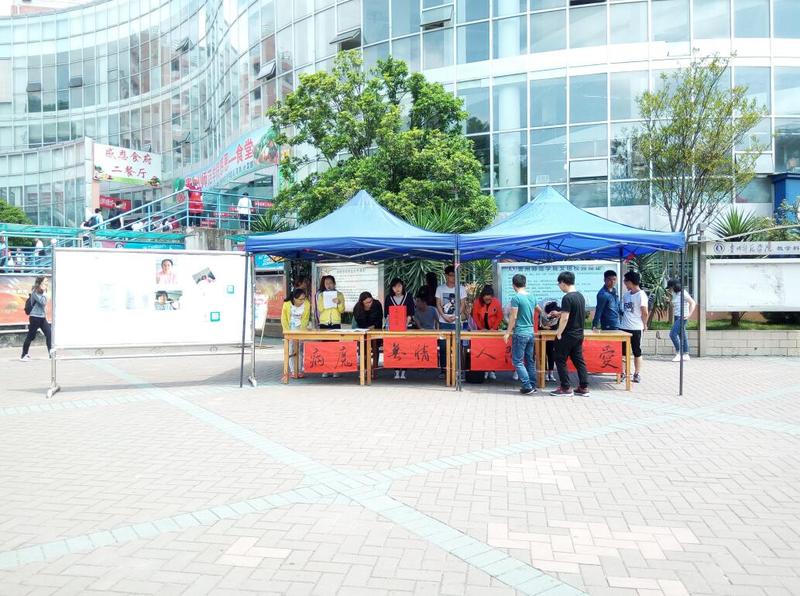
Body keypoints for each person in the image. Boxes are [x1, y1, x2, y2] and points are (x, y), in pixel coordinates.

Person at [550, 271, 590, 397]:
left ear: (563, 282)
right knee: (579, 360)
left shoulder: (567, 298)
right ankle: (584, 387)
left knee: (560, 359)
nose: (559, 286)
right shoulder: (580, 296)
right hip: (579, 334)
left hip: (567, 334)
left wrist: (558, 333)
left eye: (559, 284)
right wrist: (559, 313)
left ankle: (565, 388)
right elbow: (570, 312)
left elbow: (565, 318)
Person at [503, 274, 538, 395]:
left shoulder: (516, 298)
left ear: (513, 285)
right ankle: (533, 385)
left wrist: (508, 332)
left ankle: (527, 386)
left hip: (520, 333)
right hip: (531, 332)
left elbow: (513, 316)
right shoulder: (532, 297)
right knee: (530, 361)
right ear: (525, 284)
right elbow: (539, 309)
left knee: (517, 361)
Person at [435, 265, 467, 379]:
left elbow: (463, 304)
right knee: (443, 346)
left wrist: (456, 316)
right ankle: (444, 370)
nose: (453, 278)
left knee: (458, 346)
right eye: (451, 275)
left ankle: (458, 370)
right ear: (446, 276)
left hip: (456, 322)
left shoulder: (461, 288)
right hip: (443, 322)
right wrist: (444, 316)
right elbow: (438, 303)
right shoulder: (440, 288)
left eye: (455, 275)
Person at [619, 270, 648, 383]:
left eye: (625, 281)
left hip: (636, 328)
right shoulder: (626, 295)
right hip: (624, 327)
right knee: (622, 352)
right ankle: (623, 372)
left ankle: (636, 373)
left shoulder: (641, 295)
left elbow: (645, 312)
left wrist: (644, 324)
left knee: (637, 351)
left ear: (630, 282)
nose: (625, 284)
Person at [384, 278, 415, 380]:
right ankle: (396, 371)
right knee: (395, 349)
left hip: (406, 327)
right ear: (392, 288)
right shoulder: (389, 298)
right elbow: (387, 314)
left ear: (402, 287)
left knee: (405, 348)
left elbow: (411, 313)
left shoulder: (408, 296)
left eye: (399, 286)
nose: (397, 289)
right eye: (394, 287)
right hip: (393, 329)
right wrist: (390, 325)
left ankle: (404, 372)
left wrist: (405, 324)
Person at [472, 285, 503, 380]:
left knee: (493, 351)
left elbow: (499, 316)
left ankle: (492, 371)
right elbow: (475, 316)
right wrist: (481, 328)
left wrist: (494, 328)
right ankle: (484, 370)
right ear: (483, 297)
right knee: (483, 351)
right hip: (481, 330)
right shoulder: (477, 302)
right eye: (486, 299)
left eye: (489, 299)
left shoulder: (496, 302)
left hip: (493, 330)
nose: (488, 300)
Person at [281, 288, 311, 380]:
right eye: (300, 299)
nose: (302, 301)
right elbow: (284, 319)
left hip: (301, 329)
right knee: (291, 350)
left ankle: (300, 370)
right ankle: (293, 371)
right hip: (290, 330)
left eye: (304, 299)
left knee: (300, 350)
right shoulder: (287, 304)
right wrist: (286, 331)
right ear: (294, 298)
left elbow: (305, 319)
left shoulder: (306, 304)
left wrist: (302, 332)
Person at [20, 276, 52, 361]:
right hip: (35, 317)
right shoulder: (35, 292)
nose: (47, 282)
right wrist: (45, 292)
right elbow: (43, 302)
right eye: (45, 281)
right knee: (31, 336)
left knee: (49, 334)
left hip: (42, 317)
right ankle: (24, 355)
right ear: (41, 282)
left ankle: (51, 354)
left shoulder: (43, 291)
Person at [354, 291, 384, 373]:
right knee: (363, 347)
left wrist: (374, 326)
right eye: (367, 302)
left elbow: (380, 318)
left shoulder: (377, 304)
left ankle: (375, 368)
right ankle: (364, 367)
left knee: (375, 347)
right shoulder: (357, 307)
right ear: (362, 302)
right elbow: (358, 321)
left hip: (375, 328)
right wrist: (366, 328)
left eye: (370, 301)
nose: (369, 304)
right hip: (363, 330)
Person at [666, 279, 696, 362]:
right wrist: (669, 301)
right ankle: (686, 354)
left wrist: (689, 315)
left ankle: (679, 353)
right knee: (682, 335)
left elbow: (693, 303)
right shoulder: (675, 294)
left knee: (672, 334)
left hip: (682, 317)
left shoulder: (683, 293)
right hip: (677, 316)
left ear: (674, 286)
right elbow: (675, 305)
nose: (669, 289)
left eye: (670, 288)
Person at [539, 300, 561, 383]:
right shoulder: (542, 312)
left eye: (554, 314)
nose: (552, 315)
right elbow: (538, 325)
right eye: (551, 314)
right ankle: (544, 373)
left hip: (552, 337)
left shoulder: (558, 314)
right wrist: (543, 327)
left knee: (551, 354)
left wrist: (552, 327)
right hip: (542, 336)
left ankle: (551, 373)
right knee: (543, 354)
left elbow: (558, 325)